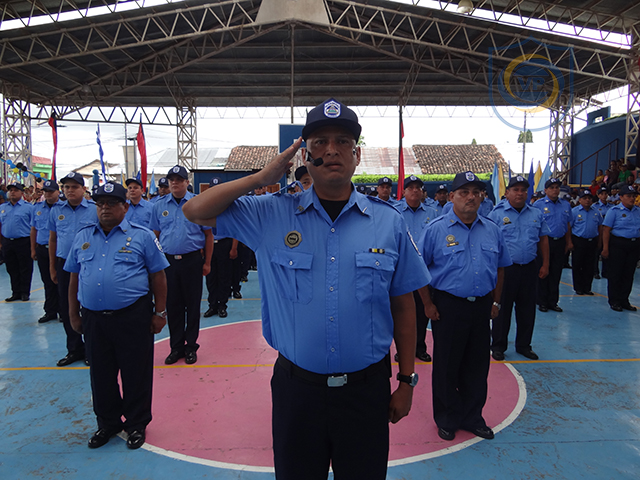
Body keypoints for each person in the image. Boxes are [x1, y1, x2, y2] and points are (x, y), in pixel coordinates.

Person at [182, 98, 430, 480]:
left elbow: (403, 306)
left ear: (356, 155)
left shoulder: (388, 222)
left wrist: (407, 380)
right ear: (305, 155)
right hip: (297, 392)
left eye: (343, 141)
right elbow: (194, 211)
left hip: (365, 392)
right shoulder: (271, 213)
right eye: (319, 142)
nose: (332, 150)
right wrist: (260, 177)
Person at [64, 181, 169, 450]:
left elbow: (158, 276)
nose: (105, 208)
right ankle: (108, 422)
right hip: (94, 318)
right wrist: (73, 314)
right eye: (100, 204)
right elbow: (74, 277)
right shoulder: (83, 236)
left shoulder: (143, 236)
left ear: (125, 207)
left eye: (111, 203)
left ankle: (136, 423)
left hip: (132, 316)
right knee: (100, 373)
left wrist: (160, 312)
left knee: (136, 372)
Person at [417, 171, 511, 442]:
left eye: (476, 192)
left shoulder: (492, 229)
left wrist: (496, 301)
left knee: (477, 365)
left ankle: (473, 417)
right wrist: (427, 304)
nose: (471, 197)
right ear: (451, 197)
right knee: (447, 365)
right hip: (448, 307)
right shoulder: (436, 230)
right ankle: (447, 418)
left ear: (482, 197)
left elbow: (501, 267)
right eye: (464, 192)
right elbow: (419, 269)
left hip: (481, 306)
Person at [150, 165, 213, 365]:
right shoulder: (159, 206)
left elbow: (208, 235)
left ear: (187, 182)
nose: (175, 183)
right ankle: (176, 347)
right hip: (168, 263)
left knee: (192, 306)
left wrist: (207, 262)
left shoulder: (198, 203)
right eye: (172, 180)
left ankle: (191, 347)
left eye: (179, 179)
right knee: (173, 306)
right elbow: (155, 236)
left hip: (192, 261)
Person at [488, 176, 550, 361]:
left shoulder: (536, 213)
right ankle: (498, 346)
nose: (520, 193)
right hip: (506, 270)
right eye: (516, 190)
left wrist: (545, 264)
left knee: (527, 309)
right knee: (502, 308)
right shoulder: (496, 215)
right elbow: (488, 242)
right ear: (507, 193)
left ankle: (524, 345)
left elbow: (543, 239)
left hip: (529, 267)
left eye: (523, 190)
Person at [49, 172, 98, 366]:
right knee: (67, 306)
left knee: (88, 305)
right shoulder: (56, 210)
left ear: (83, 189)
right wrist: (52, 267)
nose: (70, 190)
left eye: (74, 187)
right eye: (66, 187)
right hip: (64, 264)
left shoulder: (94, 209)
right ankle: (74, 349)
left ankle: (91, 349)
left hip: (88, 262)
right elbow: (53, 239)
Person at [396, 175, 437, 364]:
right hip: (401, 270)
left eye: (418, 188)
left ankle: (420, 347)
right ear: (404, 191)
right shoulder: (395, 212)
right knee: (401, 312)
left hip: (424, 271)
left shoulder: (433, 213)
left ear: (422, 192)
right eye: (410, 188)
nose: (414, 191)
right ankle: (402, 350)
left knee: (422, 312)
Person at [533, 178, 573, 312]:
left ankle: (553, 301)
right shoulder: (538, 205)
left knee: (556, 272)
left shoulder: (565, 205)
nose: (555, 190)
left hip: (560, 241)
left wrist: (568, 242)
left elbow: (567, 225)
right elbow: (534, 225)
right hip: (545, 242)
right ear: (545, 190)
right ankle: (542, 301)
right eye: (552, 187)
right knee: (543, 271)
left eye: (557, 187)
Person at [601, 185, 640, 312]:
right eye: (629, 196)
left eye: (634, 196)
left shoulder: (638, 211)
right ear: (621, 197)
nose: (632, 198)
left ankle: (624, 300)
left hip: (634, 245)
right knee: (616, 273)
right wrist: (605, 248)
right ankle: (614, 300)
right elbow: (606, 230)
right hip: (618, 245)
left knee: (629, 274)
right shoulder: (614, 211)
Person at [30, 179, 62, 323]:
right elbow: (33, 229)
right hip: (43, 249)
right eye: (46, 191)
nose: (48, 194)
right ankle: (50, 311)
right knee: (47, 281)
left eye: (51, 191)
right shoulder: (37, 208)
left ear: (58, 192)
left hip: (59, 250)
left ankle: (63, 311)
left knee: (61, 281)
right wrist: (33, 249)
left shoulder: (63, 208)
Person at [204, 177, 236, 319]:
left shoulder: (228, 206)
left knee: (224, 276)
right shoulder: (205, 206)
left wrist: (234, 248)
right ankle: (212, 305)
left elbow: (235, 229)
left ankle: (222, 305)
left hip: (224, 243)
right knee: (211, 277)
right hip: (210, 245)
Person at [0, 182, 34, 302]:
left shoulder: (29, 208)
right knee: (11, 268)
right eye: (11, 190)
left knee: (25, 268)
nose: (12, 192)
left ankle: (25, 292)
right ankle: (15, 292)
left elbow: (34, 226)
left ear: (21, 192)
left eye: (15, 190)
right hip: (8, 242)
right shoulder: (3, 208)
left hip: (23, 241)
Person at [570, 189, 603, 295]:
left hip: (592, 241)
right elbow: (569, 227)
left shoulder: (596, 212)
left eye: (589, 198)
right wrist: (569, 242)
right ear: (580, 200)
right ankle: (578, 288)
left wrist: (599, 241)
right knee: (577, 265)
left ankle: (587, 287)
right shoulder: (574, 212)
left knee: (589, 266)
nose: (587, 200)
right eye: (585, 198)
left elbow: (600, 227)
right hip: (579, 241)